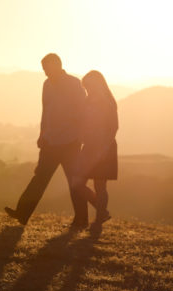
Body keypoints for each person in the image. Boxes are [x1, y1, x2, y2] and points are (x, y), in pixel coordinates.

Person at [5, 53, 88, 228]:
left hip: (70, 142)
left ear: (58, 65)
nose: (45, 73)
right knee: (39, 178)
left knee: (74, 183)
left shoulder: (74, 83)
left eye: (47, 69)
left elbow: (82, 111)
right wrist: (42, 134)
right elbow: (46, 111)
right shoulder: (47, 84)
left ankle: (81, 220)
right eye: (43, 70)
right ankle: (22, 213)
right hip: (50, 141)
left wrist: (79, 137)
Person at [69, 70, 118, 236]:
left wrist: (104, 148)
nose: (88, 90)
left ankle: (98, 221)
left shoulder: (108, 103)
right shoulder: (89, 101)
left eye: (89, 87)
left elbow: (113, 127)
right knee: (77, 183)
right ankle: (102, 211)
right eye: (86, 88)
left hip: (104, 148)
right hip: (90, 146)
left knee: (100, 185)